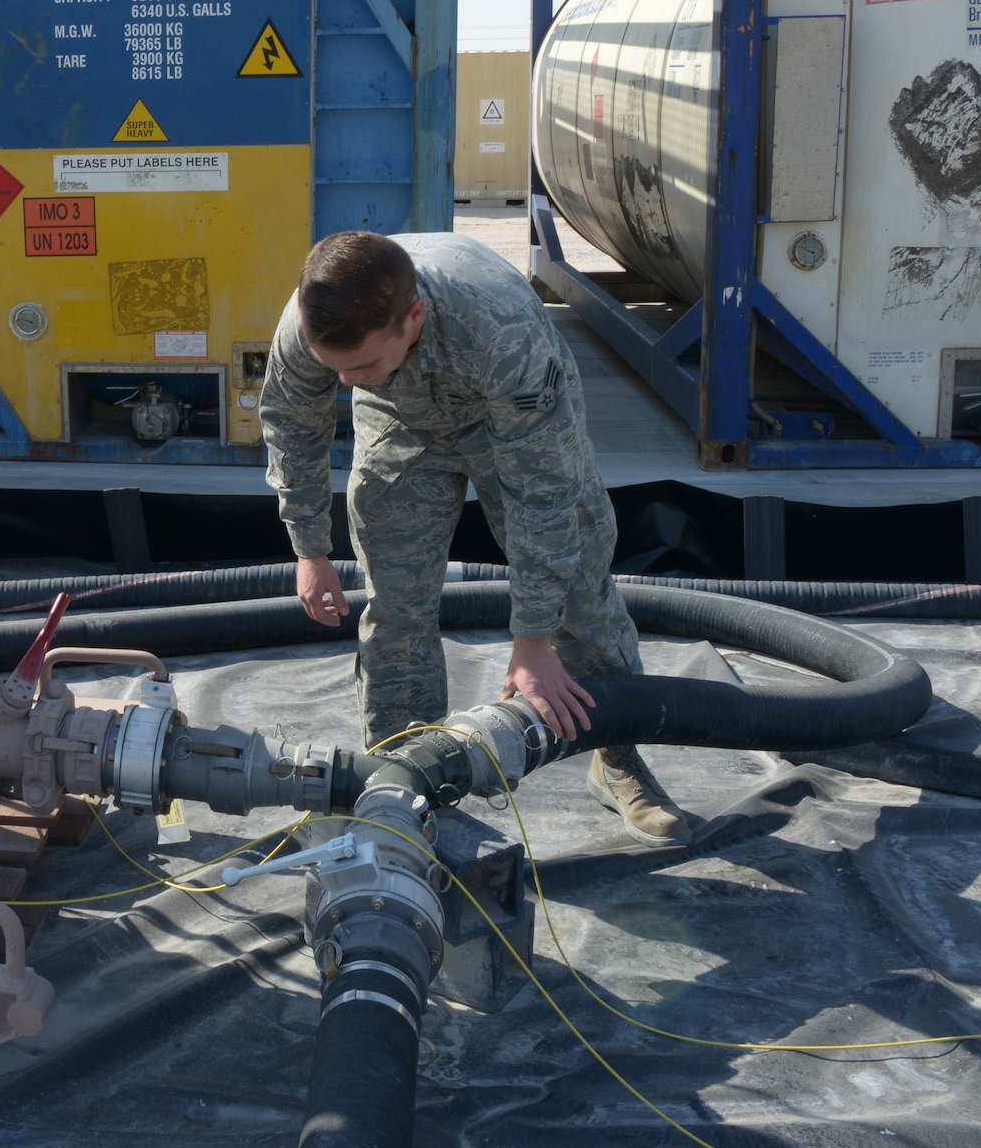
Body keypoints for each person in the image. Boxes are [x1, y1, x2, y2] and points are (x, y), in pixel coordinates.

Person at [257, 229, 689, 845]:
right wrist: (309, 548)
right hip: (402, 420)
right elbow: (292, 427)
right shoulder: (306, 327)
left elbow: (546, 492)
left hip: (505, 416)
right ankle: (402, 779)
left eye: (363, 365)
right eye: (338, 371)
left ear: (414, 317)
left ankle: (619, 761)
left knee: (580, 595)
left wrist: (533, 640)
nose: (348, 384)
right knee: (397, 607)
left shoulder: (500, 331)